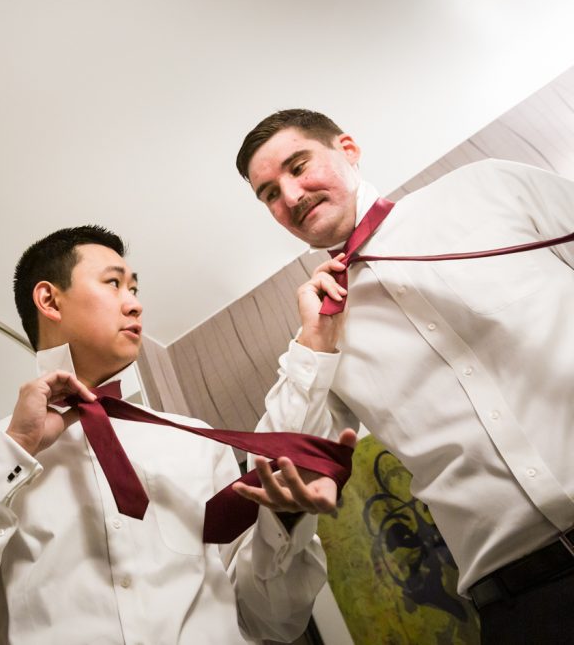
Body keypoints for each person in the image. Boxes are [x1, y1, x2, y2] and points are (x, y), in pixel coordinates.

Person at [0, 225, 354, 645]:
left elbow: (272, 622)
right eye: (113, 283)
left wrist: (287, 525)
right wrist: (13, 452)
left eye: (134, 287)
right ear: (49, 300)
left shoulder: (196, 443)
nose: (135, 302)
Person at [235, 108, 574, 644]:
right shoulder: (322, 331)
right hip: (526, 606)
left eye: (298, 167)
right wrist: (314, 344)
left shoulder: (490, 188)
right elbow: (273, 468)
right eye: (270, 194)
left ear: (347, 148)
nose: (292, 196)